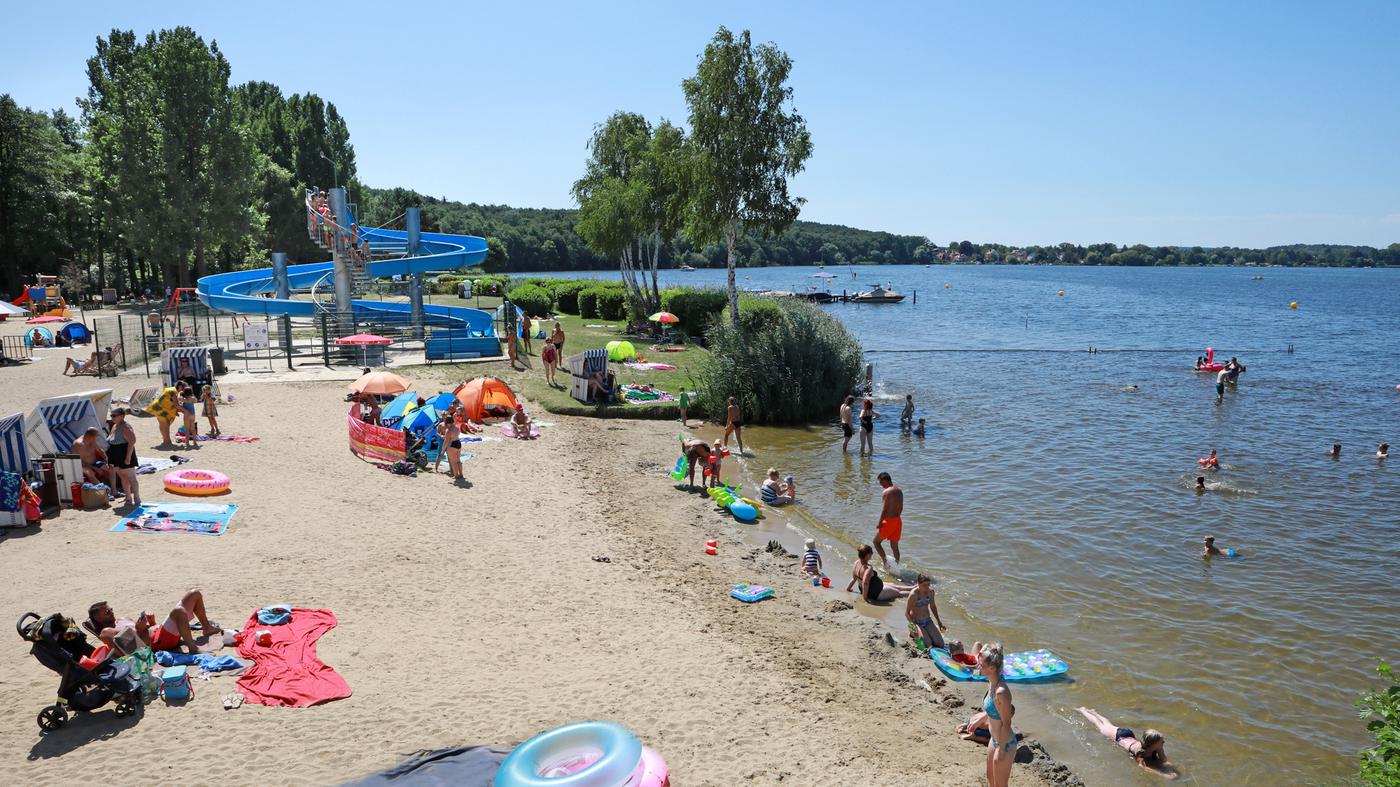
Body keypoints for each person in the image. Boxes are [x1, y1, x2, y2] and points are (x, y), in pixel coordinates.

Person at [87, 592, 221, 656]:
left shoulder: (122, 619)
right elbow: (136, 651)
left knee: (194, 594)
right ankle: (193, 648)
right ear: (98, 619)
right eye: (106, 612)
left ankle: (207, 628)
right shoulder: (106, 632)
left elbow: (145, 630)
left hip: (160, 632)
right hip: (158, 642)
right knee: (178, 611)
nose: (110, 611)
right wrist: (140, 630)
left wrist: (151, 623)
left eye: (110, 609)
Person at [1075, 707, 1178, 779]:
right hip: (1119, 736)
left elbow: (1165, 761)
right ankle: (1083, 710)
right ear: (1153, 743)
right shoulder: (1140, 751)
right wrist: (1163, 775)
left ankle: (1095, 712)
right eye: (1161, 741)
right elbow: (1143, 767)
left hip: (1128, 734)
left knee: (1108, 724)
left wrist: (1173, 769)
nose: (1164, 742)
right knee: (1099, 724)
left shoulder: (1158, 747)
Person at [980, 644, 1016, 787]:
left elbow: (1007, 724)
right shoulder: (992, 682)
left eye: (981, 665)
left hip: (1004, 743)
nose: (978, 666)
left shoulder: (1000, 692)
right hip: (993, 741)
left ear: (992, 668)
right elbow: (979, 649)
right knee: (990, 778)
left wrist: (1001, 750)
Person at [846, 544, 914, 602]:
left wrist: (848, 588)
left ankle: (912, 587)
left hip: (871, 589)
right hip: (876, 593)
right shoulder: (867, 568)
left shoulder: (856, 563)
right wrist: (865, 598)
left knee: (892, 585)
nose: (872, 554)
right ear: (867, 555)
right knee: (898, 592)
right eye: (871, 553)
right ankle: (916, 593)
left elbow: (854, 578)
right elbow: (865, 583)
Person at [107, 408, 139, 507]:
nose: (112, 417)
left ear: (121, 416)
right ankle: (128, 498)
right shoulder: (115, 426)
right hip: (116, 455)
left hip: (124, 453)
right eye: (111, 415)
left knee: (131, 477)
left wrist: (128, 457)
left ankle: (137, 498)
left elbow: (132, 441)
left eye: (114, 415)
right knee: (123, 477)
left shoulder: (125, 427)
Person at [905, 574, 947, 649]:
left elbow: (933, 607)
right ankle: (913, 633)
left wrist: (939, 622)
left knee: (940, 644)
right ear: (918, 584)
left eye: (928, 584)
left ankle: (924, 633)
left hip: (928, 621)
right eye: (924, 585)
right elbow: (907, 613)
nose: (927, 587)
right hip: (916, 622)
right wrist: (913, 626)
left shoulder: (931, 592)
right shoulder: (913, 595)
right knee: (927, 645)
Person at [874, 471, 903, 568]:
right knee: (895, 547)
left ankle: (886, 563)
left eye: (880, 482)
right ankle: (896, 567)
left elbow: (884, 509)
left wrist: (880, 523)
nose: (880, 484)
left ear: (885, 480)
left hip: (889, 521)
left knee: (876, 542)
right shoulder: (899, 490)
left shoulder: (887, 492)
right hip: (898, 521)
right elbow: (901, 507)